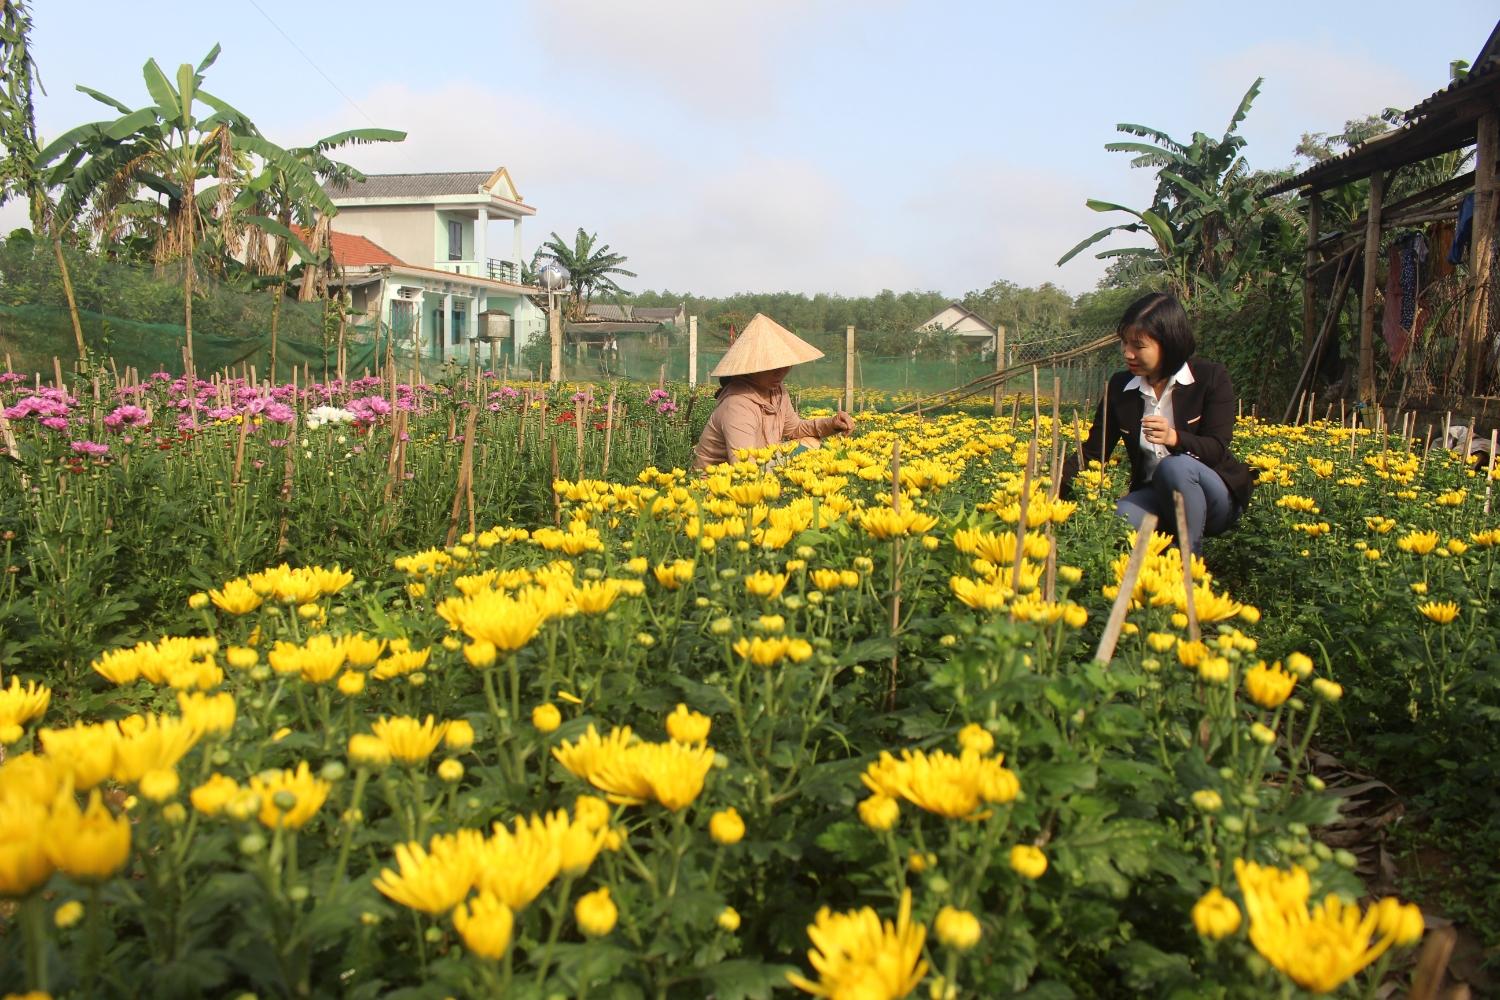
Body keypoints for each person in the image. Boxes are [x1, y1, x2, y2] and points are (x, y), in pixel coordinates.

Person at [1058, 292, 1253, 552]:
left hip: (1215, 499)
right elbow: (1095, 451)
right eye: (1124, 343)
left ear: (1169, 343)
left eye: (1138, 346)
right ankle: (1151, 571)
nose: (1127, 353)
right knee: (1120, 520)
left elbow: (1217, 448)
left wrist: (1175, 438)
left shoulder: (1210, 378)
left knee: (1175, 468)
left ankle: (1189, 560)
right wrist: (1051, 489)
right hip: (1155, 496)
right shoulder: (1120, 387)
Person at [693, 313, 855, 471]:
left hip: (757, 465)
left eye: (785, 364)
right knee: (805, 453)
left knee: (811, 442)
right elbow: (744, 467)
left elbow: (794, 429)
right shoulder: (737, 404)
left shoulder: (777, 391)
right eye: (773, 367)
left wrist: (832, 424)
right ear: (752, 367)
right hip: (716, 484)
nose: (782, 372)